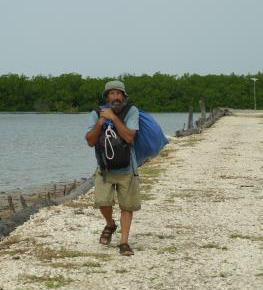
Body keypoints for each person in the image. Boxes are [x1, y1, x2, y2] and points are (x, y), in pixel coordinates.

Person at [85, 80, 140, 256]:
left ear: (124, 96)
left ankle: (123, 242)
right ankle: (110, 224)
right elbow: (90, 141)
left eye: (119, 93)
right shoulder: (96, 113)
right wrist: (101, 120)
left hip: (127, 169)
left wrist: (114, 118)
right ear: (106, 97)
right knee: (102, 201)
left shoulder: (132, 111)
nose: (116, 97)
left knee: (127, 206)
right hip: (104, 169)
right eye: (112, 93)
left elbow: (130, 137)